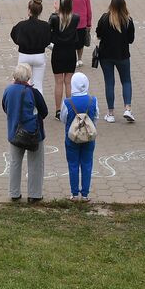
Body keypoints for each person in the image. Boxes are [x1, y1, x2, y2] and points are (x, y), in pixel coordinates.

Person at [2, 63, 48, 202]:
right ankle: (34, 194)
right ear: (28, 77)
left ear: (14, 76)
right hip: (33, 133)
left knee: (15, 162)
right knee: (35, 163)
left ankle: (14, 193)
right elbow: (44, 112)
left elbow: (5, 107)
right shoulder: (33, 92)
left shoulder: (8, 90)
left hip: (14, 131)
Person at [61, 72, 98, 202]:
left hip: (72, 138)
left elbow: (63, 118)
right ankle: (85, 194)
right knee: (87, 163)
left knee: (73, 164)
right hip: (88, 137)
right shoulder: (93, 100)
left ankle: (74, 193)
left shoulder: (67, 102)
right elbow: (96, 117)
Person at [48, 0, 81, 116]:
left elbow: (48, 27)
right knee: (68, 81)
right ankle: (70, 109)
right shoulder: (76, 18)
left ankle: (58, 110)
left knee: (58, 82)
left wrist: (56, 12)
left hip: (58, 52)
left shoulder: (55, 18)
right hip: (70, 52)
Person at [10, 0, 51, 90]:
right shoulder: (45, 26)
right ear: (40, 12)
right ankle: (38, 103)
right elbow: (48, 40)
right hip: (39, 55)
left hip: (24, 55)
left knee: (23, 84)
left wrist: (20, 43)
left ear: (29, 11)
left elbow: (13, 35)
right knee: (38, 84)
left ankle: (25, 102)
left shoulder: (21, 25)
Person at [65, 0, 93, 66]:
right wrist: (89, 23)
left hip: (69, 23)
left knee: (71, 42)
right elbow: (89, 10)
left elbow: (63, 9)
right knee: (80, 42)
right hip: (82, 23)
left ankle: (71, 59)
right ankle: (79, 59)